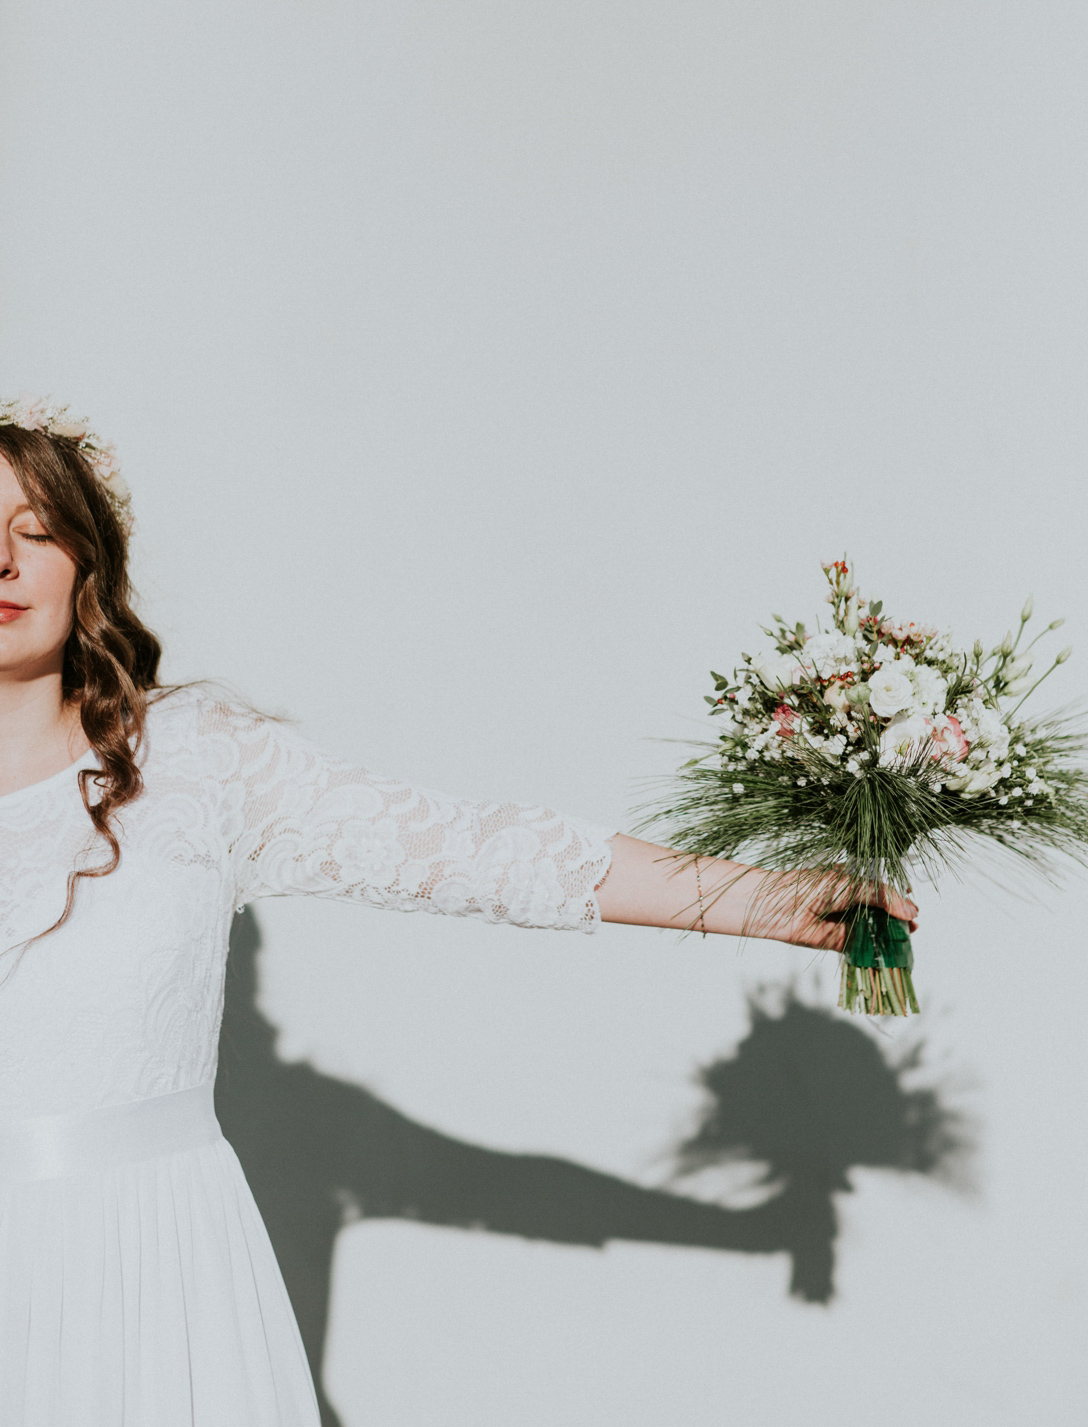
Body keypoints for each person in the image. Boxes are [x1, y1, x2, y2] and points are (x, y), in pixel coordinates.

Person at [0, 396, 917, 1427]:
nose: (3, 560)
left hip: (150, 1284)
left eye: (34, 531)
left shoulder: (197, 762)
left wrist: (770, 900)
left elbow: (475, 851)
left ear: (87, 564)